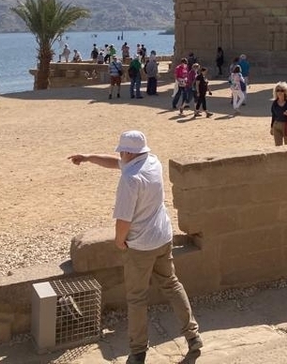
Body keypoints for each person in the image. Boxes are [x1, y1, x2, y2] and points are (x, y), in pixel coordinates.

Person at [68, 131, 202, 363]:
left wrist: (120, 241)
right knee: (171, 284)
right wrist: (89, 157)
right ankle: (193, 336)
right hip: (163, 236)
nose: (120, 153)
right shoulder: (152, 161)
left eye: (122, 150)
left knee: (137, 298)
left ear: (129, 152)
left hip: (141, 245)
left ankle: (138, 352)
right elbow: (116, 162)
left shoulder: (131, 179)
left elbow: (123, 220)